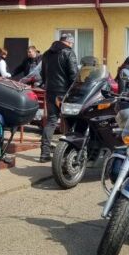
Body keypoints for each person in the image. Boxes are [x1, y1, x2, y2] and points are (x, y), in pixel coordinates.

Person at [40, 33, 79, 162]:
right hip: (64, 93)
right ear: (69, 42)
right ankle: (67, 152)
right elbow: (73, 75)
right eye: (72, 43)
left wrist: (47, 85)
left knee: (51, 121)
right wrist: (76, 90)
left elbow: (43, 73)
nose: (72, 45)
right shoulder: (68, 53)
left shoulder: (47, 53)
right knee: (70, 121)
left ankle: (44, 153)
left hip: (50, 91)